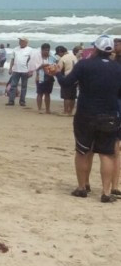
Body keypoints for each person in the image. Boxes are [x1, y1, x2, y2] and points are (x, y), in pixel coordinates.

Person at [56, 35, 121, 202]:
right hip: (110, 114)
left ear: (95, 49)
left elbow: (66, 83)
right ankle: (106, 192)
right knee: (107, 154)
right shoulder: (117, 68)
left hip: (86, 114)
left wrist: (57, 73)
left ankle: (82, 187)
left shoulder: (84, 65)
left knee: (83, 151)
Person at [6, 37, 34, 107]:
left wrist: (31, 71)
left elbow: (32, 61)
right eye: (20, 41)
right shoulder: (15, 49)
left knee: (24, 87)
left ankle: (22, 101)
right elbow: (12, 59)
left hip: (25, 71)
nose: (20, 42)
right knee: (13, 86)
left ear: (26, 42)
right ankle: (11, 101)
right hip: (16, 70)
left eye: (22, 41)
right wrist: (10, 68)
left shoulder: (30, 50)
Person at [35, 43, 58, 115]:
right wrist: (43, 65)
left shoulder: (52, 57)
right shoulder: (38, 57)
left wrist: (54, 67)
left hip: (50, 77)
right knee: (40, 93)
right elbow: (36, 68)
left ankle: (48, 109)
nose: (46, 52)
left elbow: (57, 64)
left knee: (47, 93)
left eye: (48, 50)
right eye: (45, 50)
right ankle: (39, 109)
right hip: (40, 77)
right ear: (42, 50)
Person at [55, 45, 77, 116]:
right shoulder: (74, 56)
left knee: (66, 96)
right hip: (76, 78)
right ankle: (71, 111)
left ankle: (65, 111)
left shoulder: (62, 59)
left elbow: (58, 69)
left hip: (67, 77)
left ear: (61, 52)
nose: (58, 55)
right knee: (73, 96)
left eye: (58, 54)